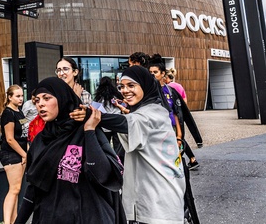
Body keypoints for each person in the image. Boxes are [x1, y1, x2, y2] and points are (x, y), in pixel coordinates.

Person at [77, 66, 185, 224]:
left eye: (131, 85)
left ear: (145, 85)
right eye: (122, 86)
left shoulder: (154, 113)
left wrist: (91, 115)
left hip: (161, 202)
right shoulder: (145, 112)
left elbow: (127, 123)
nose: (125, 90)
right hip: (151, 199)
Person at [17, 77, 125, 224]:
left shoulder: (88, 130)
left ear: (62, 98)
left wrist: (89, 131)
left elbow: (104, 174)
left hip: (89, 217)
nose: (40, 104)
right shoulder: (41, 141)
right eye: (37, 100)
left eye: (47, 98)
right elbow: (33, 190)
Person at [0, 85, 28, 224]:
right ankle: (7, 222)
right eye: (17, 96)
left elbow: (23, 134)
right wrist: (24, 154)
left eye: (22, 95)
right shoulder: (8, 113)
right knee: (14, 189)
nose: (21, 98)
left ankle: (14, 221)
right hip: (11, 154)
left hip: (20, 154)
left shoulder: (19, 112)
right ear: (10, 97)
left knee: (16, 190)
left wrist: (26, 153)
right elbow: (10, 139)